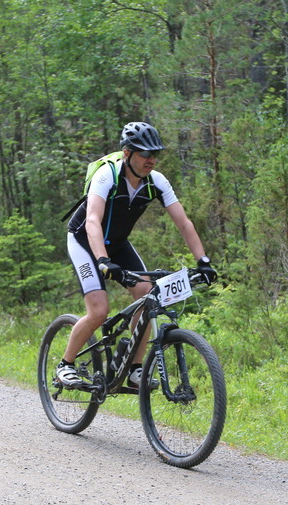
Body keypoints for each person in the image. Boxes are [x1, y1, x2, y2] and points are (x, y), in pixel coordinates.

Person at [57, 121, 217, 389]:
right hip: (84, 240)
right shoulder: (107, 175)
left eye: (155, 154)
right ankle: (66, 365)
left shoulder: (156, 182)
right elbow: (93, 221)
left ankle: (133, 368)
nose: (151, 160)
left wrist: (203, 261)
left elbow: (184, 223)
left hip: (118, 243)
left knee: (147, 296)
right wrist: (102, 261)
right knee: (99, 311)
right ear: (128, 154)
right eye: (145, 154)